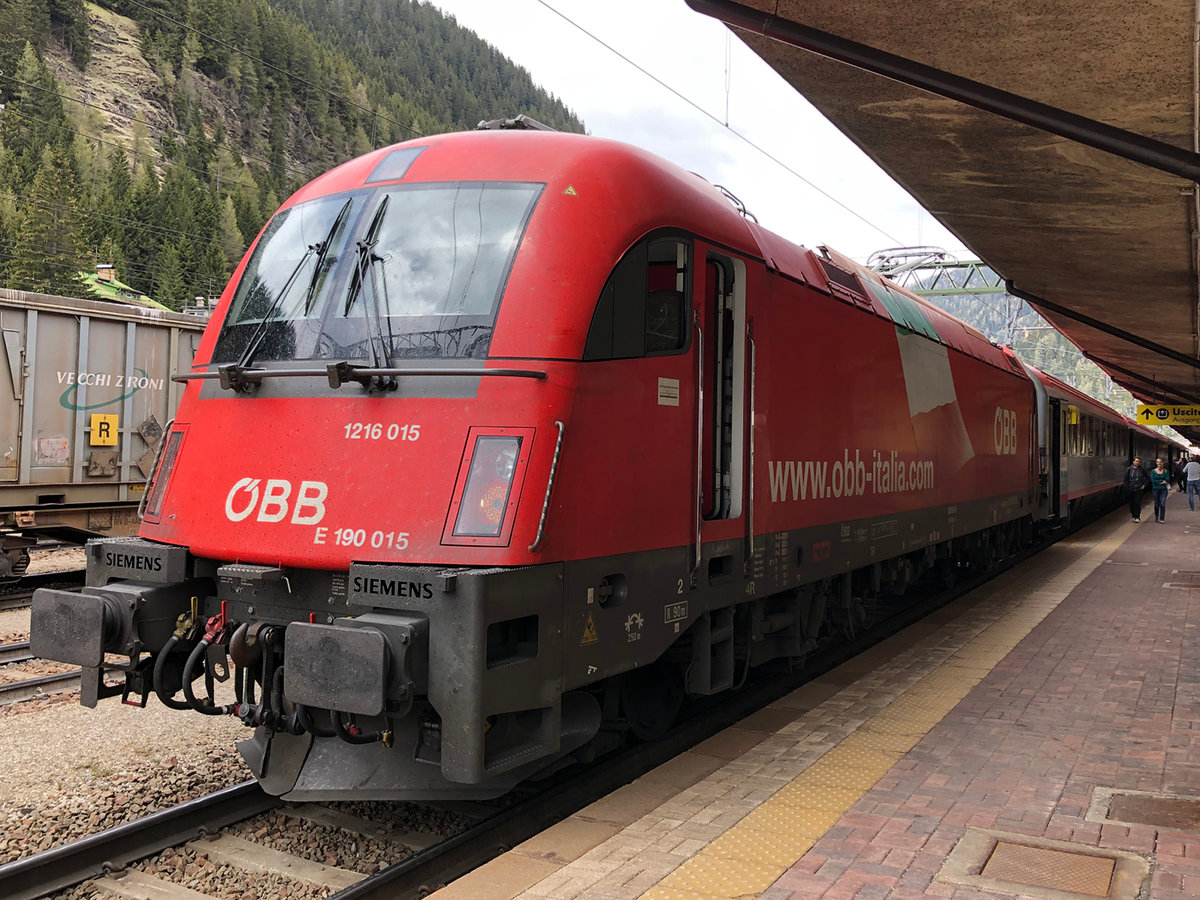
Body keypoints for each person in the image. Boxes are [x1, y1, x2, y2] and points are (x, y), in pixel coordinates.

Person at [1123, 456, 1149, 522]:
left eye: (1139, 462)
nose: (1137, 463)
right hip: (1130, 489)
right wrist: (1127, 487)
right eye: (1136, 461)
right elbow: (1125, 479)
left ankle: (1137, 517)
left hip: (1139, 489)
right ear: (1133, 462)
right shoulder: (1129, 469)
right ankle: (1133, 514)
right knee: (1131, 503)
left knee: (1137, 503)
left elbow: (1147, 478)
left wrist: (1144, 485)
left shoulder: (1142, 470)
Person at [1150, 457, 1171, 523]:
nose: (1159, 463)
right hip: (1155, 490)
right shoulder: (1153, 471)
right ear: (1156, 463)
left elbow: (1167, 480)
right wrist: (1162, 481)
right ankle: (1157, 516)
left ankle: (1162, 518)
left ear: (1163, 463)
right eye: (1158, 462)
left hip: (1164, 490)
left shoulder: (1166, 471)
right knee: (1156, 504)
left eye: (1161, 462)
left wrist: (1158, 482)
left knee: (1162, 504)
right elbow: (1153, 480)